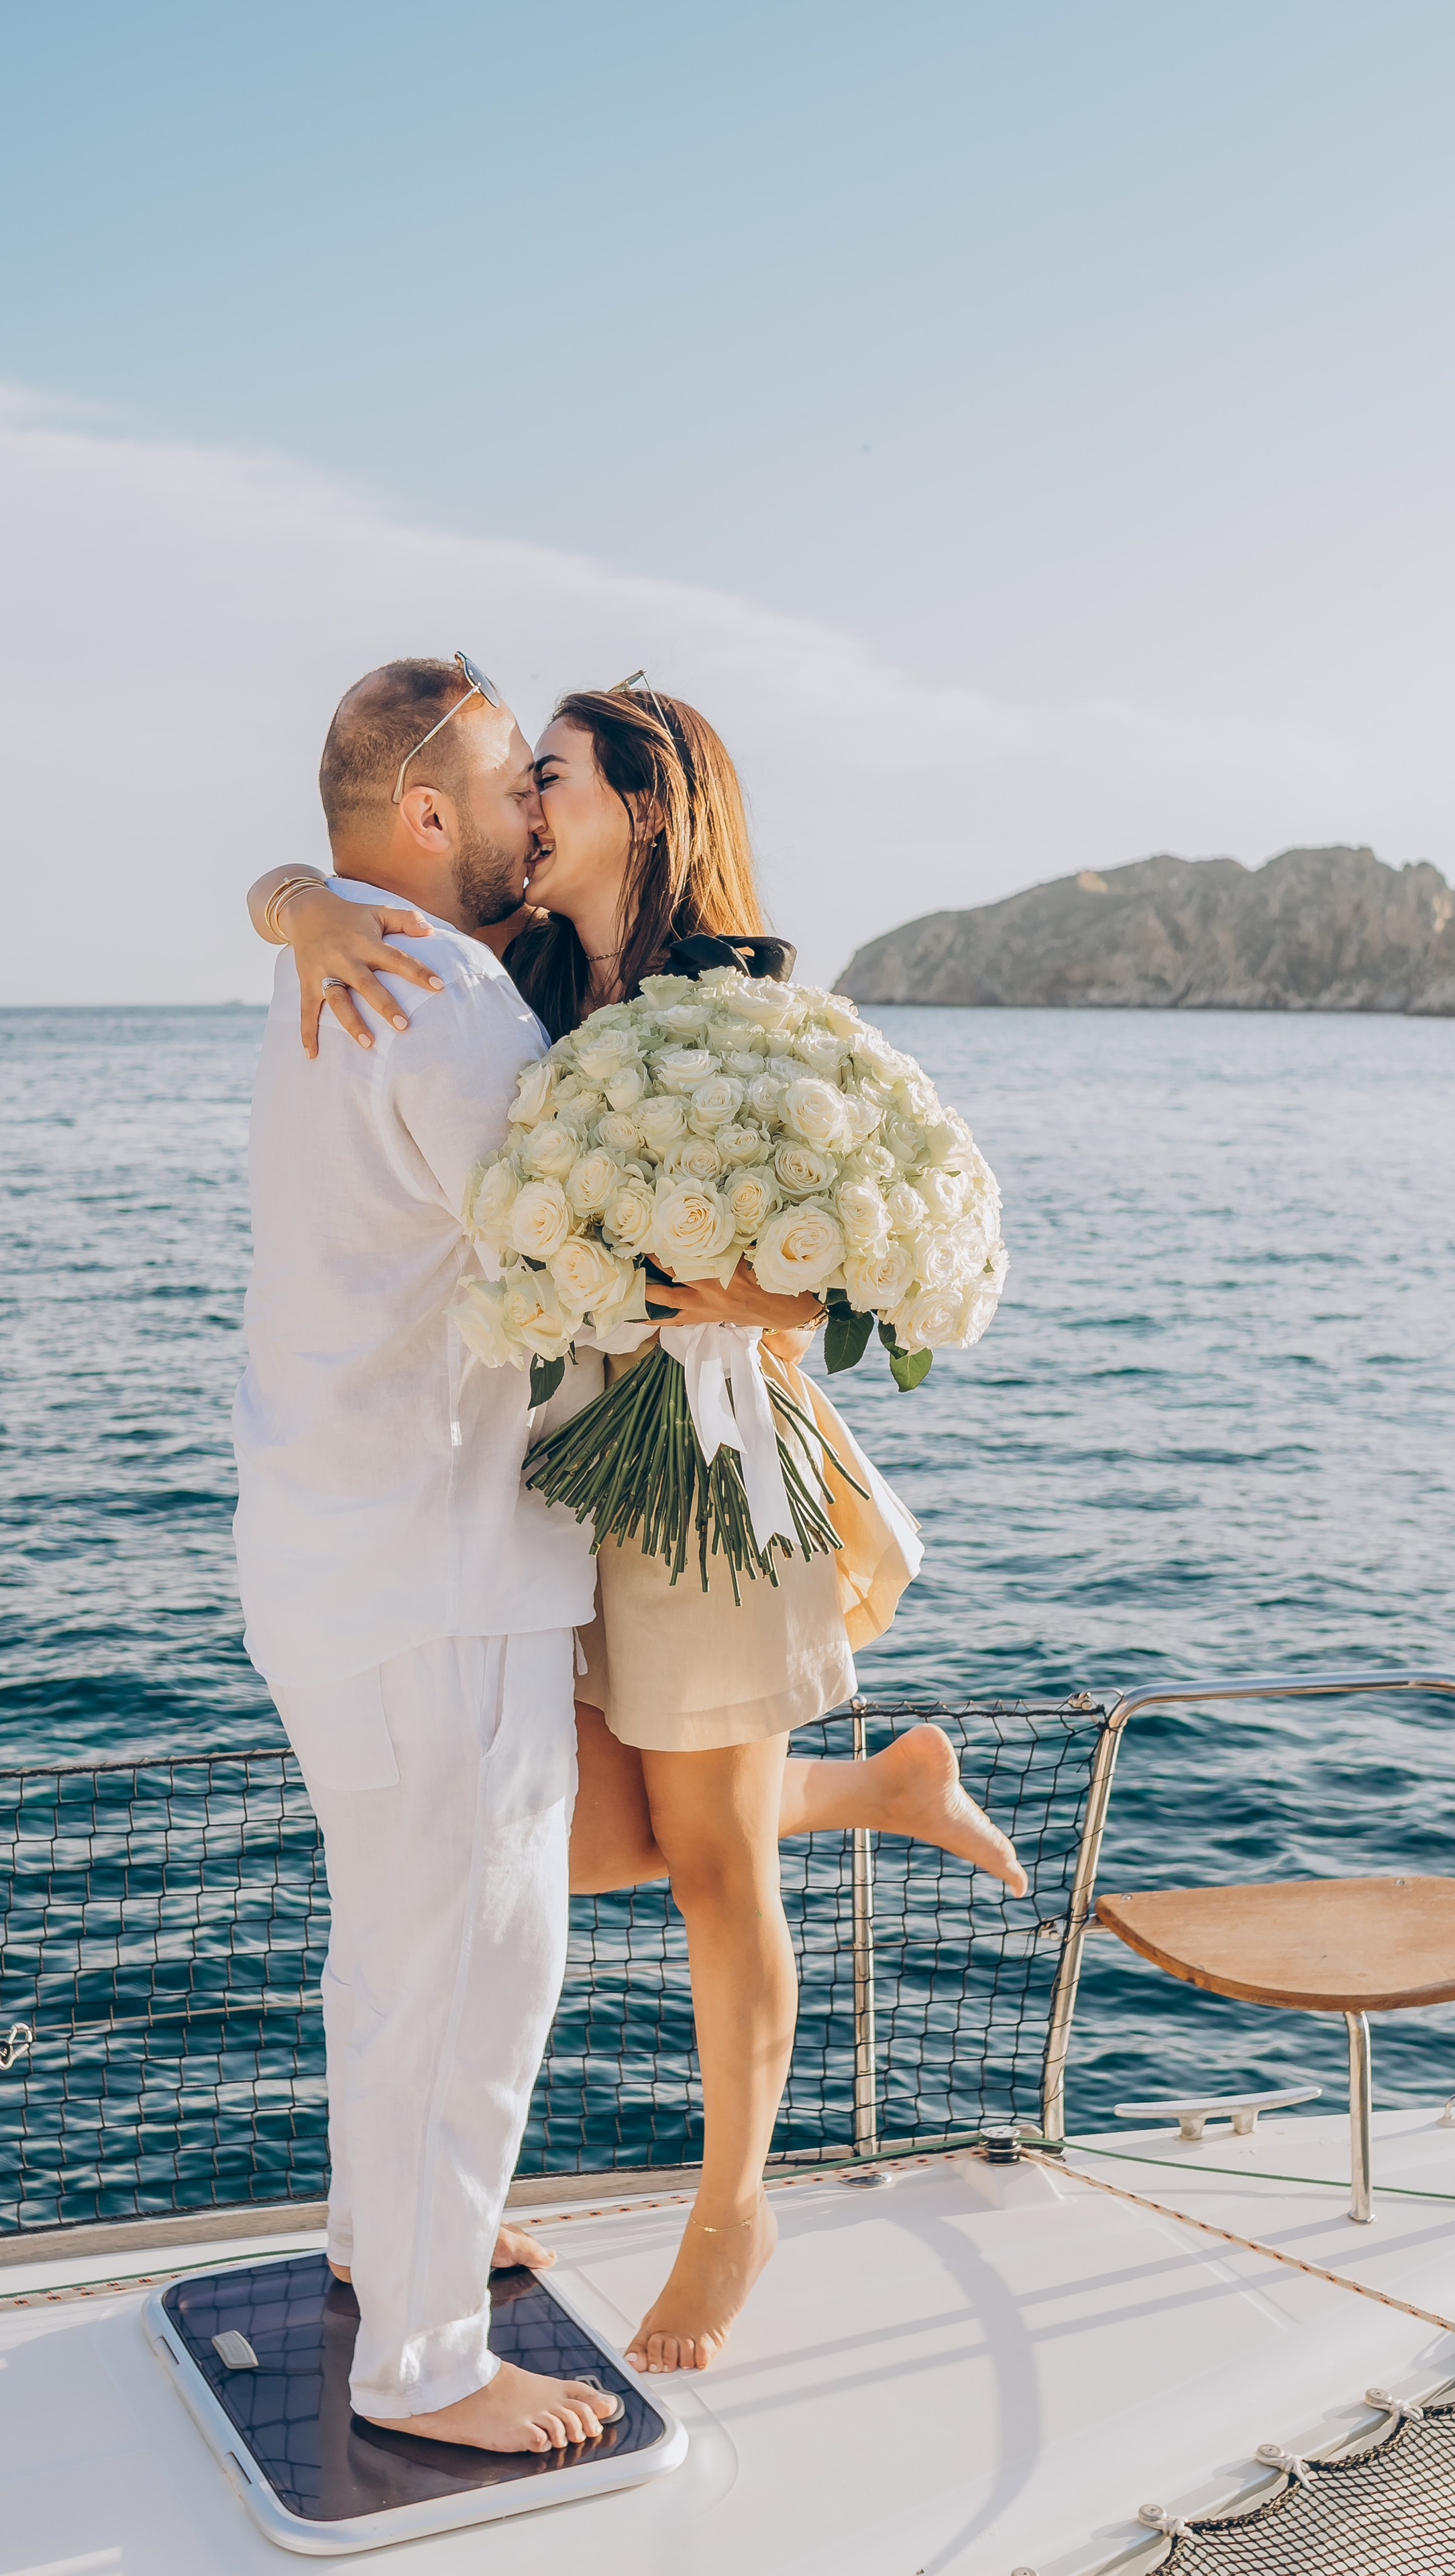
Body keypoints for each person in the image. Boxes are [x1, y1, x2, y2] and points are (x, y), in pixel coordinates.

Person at [249, 667, 1026, 2377]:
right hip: (558, 1470)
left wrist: (746, 1286)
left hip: (706, 1469)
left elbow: (820, 1267)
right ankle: (883, 1789)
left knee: (711, 1866)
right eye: (520, 778)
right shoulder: (515, 970)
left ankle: (732, 2208)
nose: (528, 805)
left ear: (645, 808)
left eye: (555, 777)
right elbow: (364, 886)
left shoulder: (738, 1003)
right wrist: (298, 900)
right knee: (577, 1838)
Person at [234, 655, 623, 2455]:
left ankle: (384, 2242)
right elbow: (566, 1267)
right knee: (473, 1959)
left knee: (390, 1947)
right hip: (438, 1574)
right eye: (509, 780)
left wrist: (289, 897)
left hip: (326, 1558)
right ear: (424, 815)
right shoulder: (446, 996)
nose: (531, 809)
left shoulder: (324, 970)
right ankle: (428, 2361)